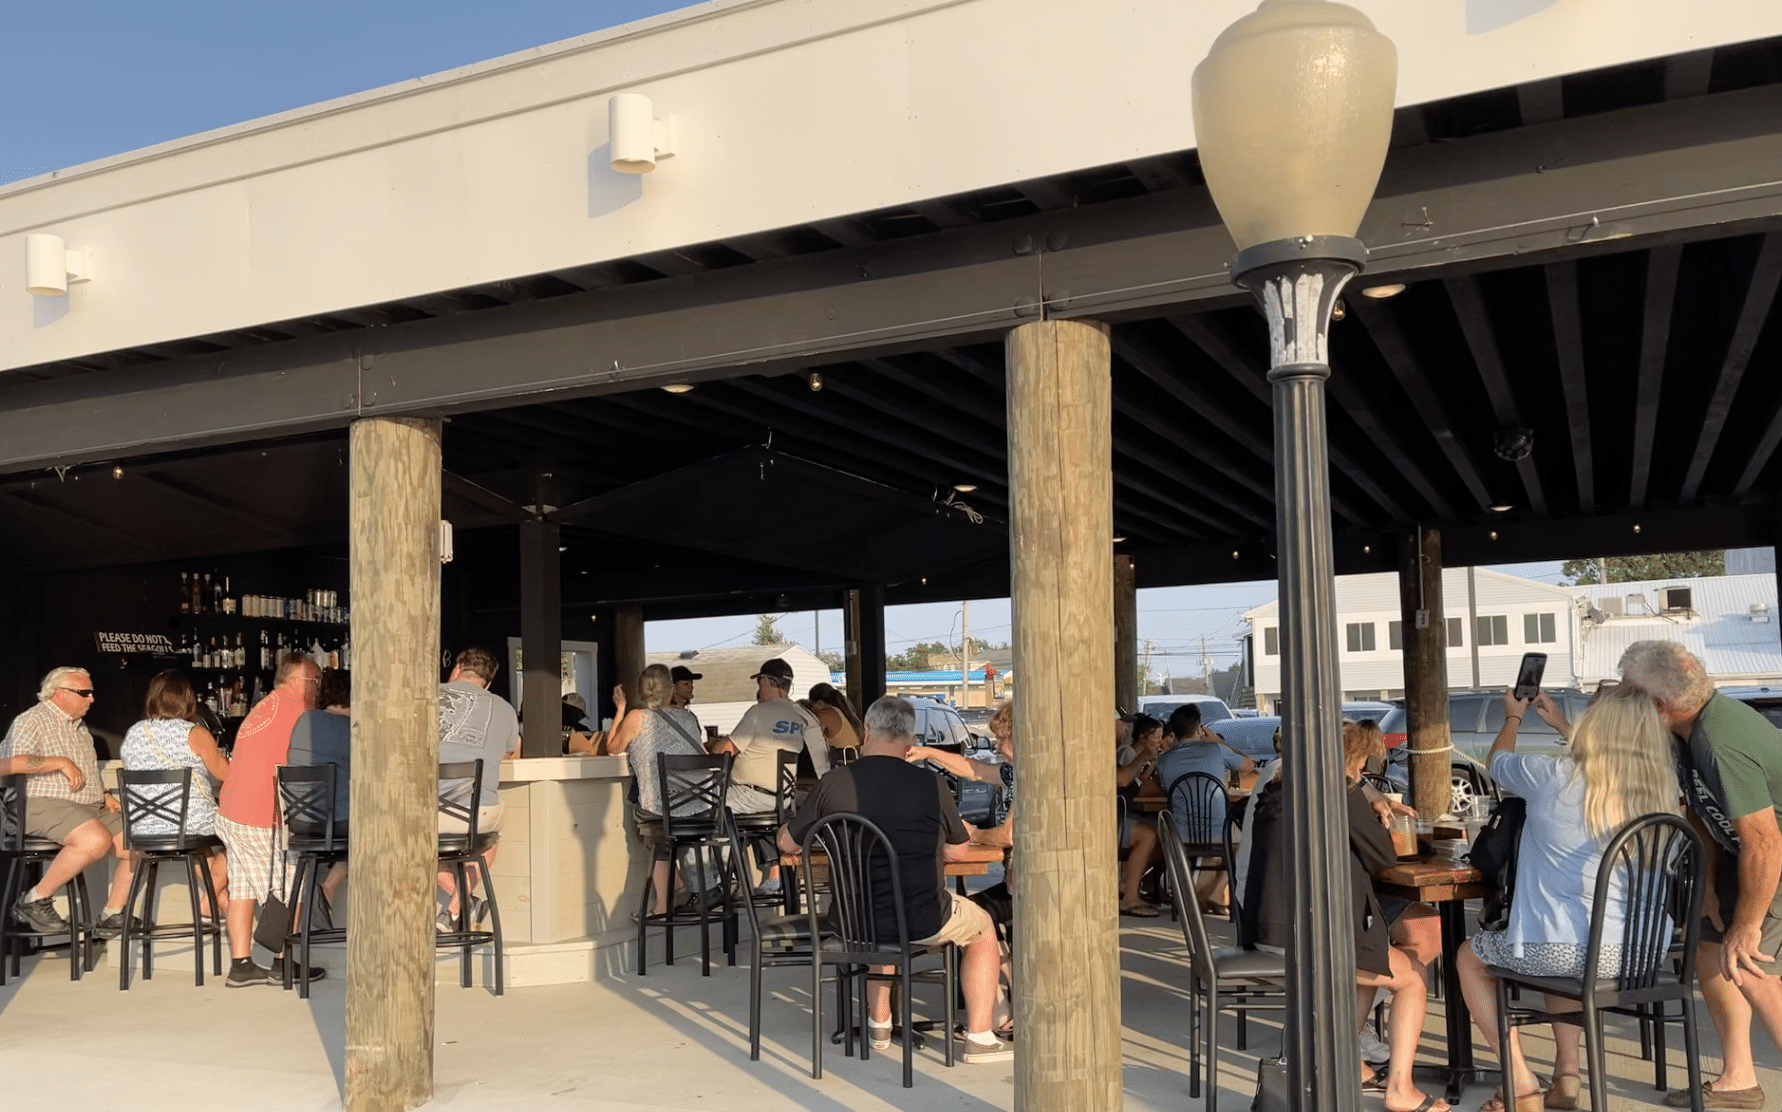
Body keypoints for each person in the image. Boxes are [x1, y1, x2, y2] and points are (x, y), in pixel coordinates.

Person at [1457, 683, 1682, 1112]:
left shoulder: (1554, 777)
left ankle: (1521, 1083)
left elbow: (1497, 761)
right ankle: (1566, 1078)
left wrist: (1514, 717)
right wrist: (1560, 723)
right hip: (1641, 957)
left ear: (1593, 729)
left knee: (1470, 959)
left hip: (1566, 951)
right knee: (1567, 948)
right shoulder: (1662, 789)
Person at [778, 695, 1013, 1064]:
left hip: (852, 920)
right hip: (922, 918)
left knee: (876, 914)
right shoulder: (930, 785)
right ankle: (980, 1038)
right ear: (909, 739)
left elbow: (788, 842)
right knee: (982, 926)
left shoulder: (833, 782)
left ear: (867, 732)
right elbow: (957, 853)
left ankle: (879, 1024)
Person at [1242, 716, 1449, 1112]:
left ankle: (1343, 1065)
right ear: (1348, 760)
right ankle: (1401, 1090)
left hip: (1270, 925)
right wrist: (1375, 815)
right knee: (1411, 978)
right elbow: (1383, 857)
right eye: (1360, 762)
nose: (1363, 770)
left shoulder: (1278, 787)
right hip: (1317, 933)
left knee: (1372, 963)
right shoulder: (1341, 792)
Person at [1618, 641, 1782, 1111]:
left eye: (1632, 695)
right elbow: (1700, 813)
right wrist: (1706, 886)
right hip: (1740, 854)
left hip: (1771, 853)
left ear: (1658, 705)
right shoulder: (1683, 733)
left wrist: (1747, 925)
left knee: (1750, 966)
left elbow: (1765, 841)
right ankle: (1739, 1079)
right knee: (1709, 948)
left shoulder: (1720, 738)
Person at [608, 663, 767, 917]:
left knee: (656, 833)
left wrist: (620, 710)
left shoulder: (636, 717)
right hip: (703, 810)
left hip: (665, 811)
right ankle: (684, 884)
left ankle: (662, 906)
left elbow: (614, 748)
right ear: (670, 689)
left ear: (641, 690)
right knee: (666, 832)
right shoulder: (688, 717)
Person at [1, 667, 138, 941]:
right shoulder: (31, 720)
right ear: (60, 693)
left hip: (85, 806)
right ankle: (33, 899)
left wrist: (103, 794)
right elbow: (6, 764)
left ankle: (112, 913)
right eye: (84, 693)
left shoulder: (80, 728)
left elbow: (86, 772)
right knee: (95, 839)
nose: (91, 699)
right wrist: (58, 763)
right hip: (39, 803)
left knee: (139, 842)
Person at [215, 651, 323, 987]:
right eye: (317, 682)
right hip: (262, 815)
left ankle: (242, 964)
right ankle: (283, 964)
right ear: (301, 681)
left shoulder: (265, 706)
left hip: (233, 811)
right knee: (292, 887)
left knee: (243, 888)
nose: (319, 690)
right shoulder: (299, 712)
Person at [711, 657, 829, 895]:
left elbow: (724, 750)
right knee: (750, 816)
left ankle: (718, 883)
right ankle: (761, 877)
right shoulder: (799, 717)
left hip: (750, 796)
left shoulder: (758, 712)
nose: (758, 689)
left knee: (706, 806)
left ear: (766, 682)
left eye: (759, 683)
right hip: (780, 799)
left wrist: (712, 744)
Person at [120, 669, 231, 915]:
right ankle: (209, 900)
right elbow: (228, 775)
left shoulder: (134, 733)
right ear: (188, 700)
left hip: (143, 827)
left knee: (199, 845)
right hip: (186, 825)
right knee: (240, 833)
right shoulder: (195, 733)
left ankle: (220, 903)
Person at [436, 646, 519, 932]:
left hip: (426, 815)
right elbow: (512, 754)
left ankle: (458, 904)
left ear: (456, 669)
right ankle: (459, 905)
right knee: (488, 840)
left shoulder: (424, 696)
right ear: (489, 682)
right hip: (476, 814)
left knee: (415, 841)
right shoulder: (505, 708)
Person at [286, 668, 352, 916]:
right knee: (377, 829)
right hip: (335, 826)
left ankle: (328, 886)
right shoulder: (354, 730)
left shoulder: (304, 721)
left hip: (299, 823)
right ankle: (330, 886)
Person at [1115, 713, 1167, 916]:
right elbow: (1123, 779)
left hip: (1123, 812)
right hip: (1115, 816)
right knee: (1148, 834)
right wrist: (1145, 756)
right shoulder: (1125, 751)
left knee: (1159, 833)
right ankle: (1130, 896)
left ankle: (1132, 883)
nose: (1124, 730)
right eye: (1120, 725)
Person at [803, 682, 863, 761]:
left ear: (820, 703)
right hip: (853, 765)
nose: (812, 710)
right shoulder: (845, 714)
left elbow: (810, 737)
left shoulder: (825, 714)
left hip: (840, 768)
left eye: (811, 706)